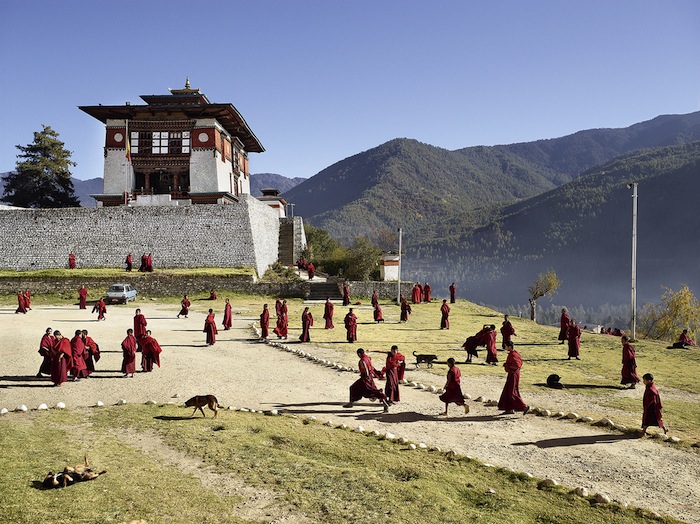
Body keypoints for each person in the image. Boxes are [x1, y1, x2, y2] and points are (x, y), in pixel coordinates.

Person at [344, 348, 389, 412]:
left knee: (353, 388)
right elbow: (371, 367)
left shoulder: (362, 360)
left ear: (359, 354)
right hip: (369, 378)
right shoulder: (367, 358)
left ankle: (351, 403)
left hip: (365, 378)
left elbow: (365, 368)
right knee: (372, 391)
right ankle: (384, 403)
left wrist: (367, 376)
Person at [498, 341, 530, 414]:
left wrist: (506, 365)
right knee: (508, 390)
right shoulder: (516, 353)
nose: (505, 347)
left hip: (513, 374)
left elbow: (516, 366)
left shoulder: (512, 355)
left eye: (506, 346)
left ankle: (524, 406)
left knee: (511, 392)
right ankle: (509, 409)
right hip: (514, 374)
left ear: (509, 347)